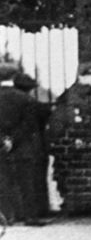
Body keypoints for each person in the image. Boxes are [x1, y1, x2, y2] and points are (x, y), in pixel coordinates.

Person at [0, 63, 46, 226]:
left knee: (3, 182)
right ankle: (30, 217)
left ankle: (6, 217)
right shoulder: (25, 99)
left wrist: (2, 140)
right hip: (22, 147)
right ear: (13, 78)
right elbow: (29, 125)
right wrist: (12, 140)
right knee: (27, 182)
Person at [14, 73, 51, 221]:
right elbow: (44, 117)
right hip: (33, 146)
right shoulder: (32, 103)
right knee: (34, 182)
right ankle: (36, 213)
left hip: (11, 146)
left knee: (14, 182)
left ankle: (16, 214)